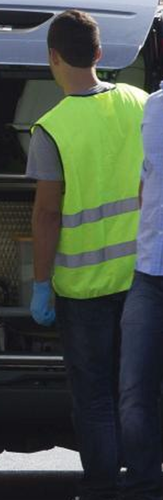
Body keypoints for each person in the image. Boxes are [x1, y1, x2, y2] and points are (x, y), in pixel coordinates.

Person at [27, 10, 148, 500]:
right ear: (99, 53)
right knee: (139, 393)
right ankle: (145, 483)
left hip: (83, 290)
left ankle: (101, 486)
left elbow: (47, 215)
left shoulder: (50, 128)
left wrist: (40, 284)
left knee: (95, 396)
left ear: (52, 57)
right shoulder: (141, 103)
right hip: (142, 280)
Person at [118, 81, 163, 500]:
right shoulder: (155, 106)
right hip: (149, 272)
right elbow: (145, 181)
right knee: (133, 394)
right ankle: (143, 487)